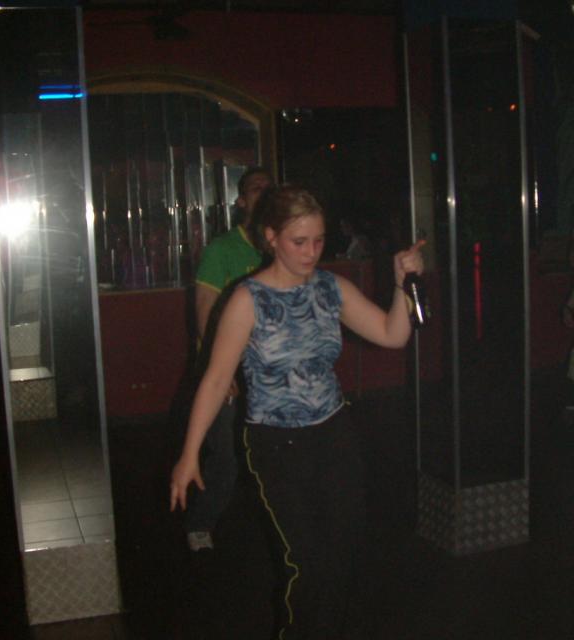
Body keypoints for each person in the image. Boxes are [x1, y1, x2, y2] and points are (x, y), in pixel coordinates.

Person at [170, 184, 424, 638]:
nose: (311, 252)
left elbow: (392, 333)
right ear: (271, 237)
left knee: (343, 556)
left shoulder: (330, 288)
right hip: (276, 444)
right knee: (306, 563)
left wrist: (402, 284)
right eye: (299, 242)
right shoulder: (248, 299)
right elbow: (215, 379)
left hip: (334, 435)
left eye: (319, 241)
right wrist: (190, 454)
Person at [185, 166, 273, 552]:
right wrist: (221, 369)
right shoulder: (222, 250)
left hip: (266, 368)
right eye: (256, 189)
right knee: (226, 455)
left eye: (269, 188)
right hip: (227, 367)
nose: (264, 193)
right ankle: (200, 522)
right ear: (242, 202)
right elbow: (205, 312)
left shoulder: (278, 248)